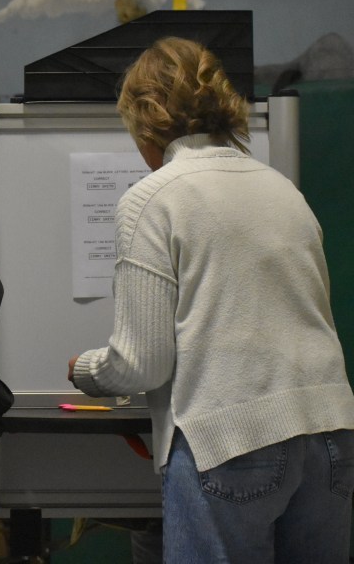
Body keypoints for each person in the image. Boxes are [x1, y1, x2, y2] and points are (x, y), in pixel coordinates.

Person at [67, 36, 354, 563]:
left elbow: (140, 365)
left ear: (146, 119)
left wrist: (85, 369)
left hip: (230, 437)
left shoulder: (152, 199)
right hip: (330, 432)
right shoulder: (283, 190)